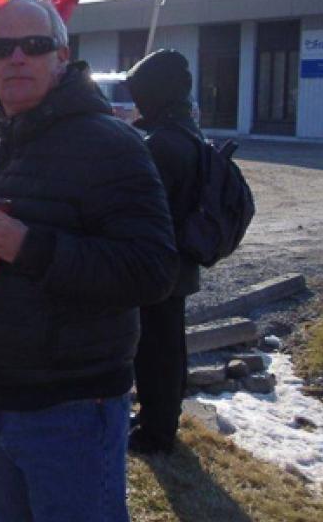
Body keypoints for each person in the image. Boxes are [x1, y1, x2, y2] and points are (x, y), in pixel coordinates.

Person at [0, 0, 178, 522]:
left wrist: (29, 247)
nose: (17, 58)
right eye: (2, 47)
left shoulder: (112, 145)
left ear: (61, 55)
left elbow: (152, 271)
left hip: (71, 409)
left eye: (33, 47)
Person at [126, 48, 203, 455]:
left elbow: (141, 207)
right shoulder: (186, 132)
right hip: (178, 260)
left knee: (156, 350)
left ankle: (156, 431)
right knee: (169, 344)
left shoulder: (164, 144)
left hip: (159, 263)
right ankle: (162, 416)